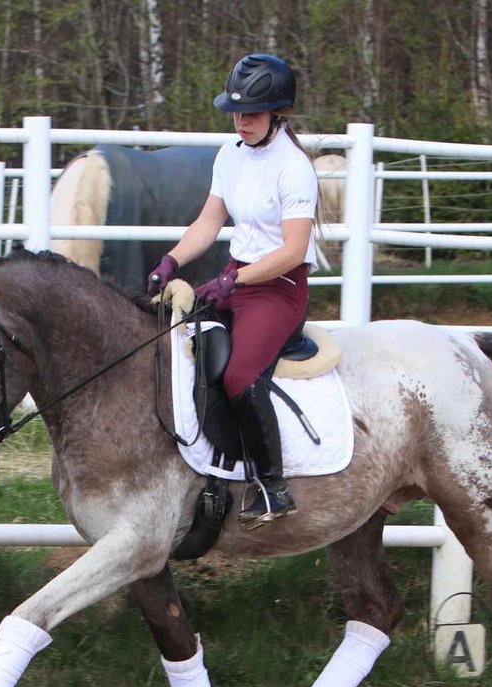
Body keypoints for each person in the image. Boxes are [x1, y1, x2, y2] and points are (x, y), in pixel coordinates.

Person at [147, 53, 319, 531]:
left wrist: (234, 280)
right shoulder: (231, 155)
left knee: (241, 374)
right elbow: (208, 221)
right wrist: (172, 260)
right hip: (236, 276)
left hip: (278, 287)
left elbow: (294, 250)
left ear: (277, 114)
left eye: (253, 114)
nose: (242, 121)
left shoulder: (294, 168)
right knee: (175, 342)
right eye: (237, 113)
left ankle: (272, 487)